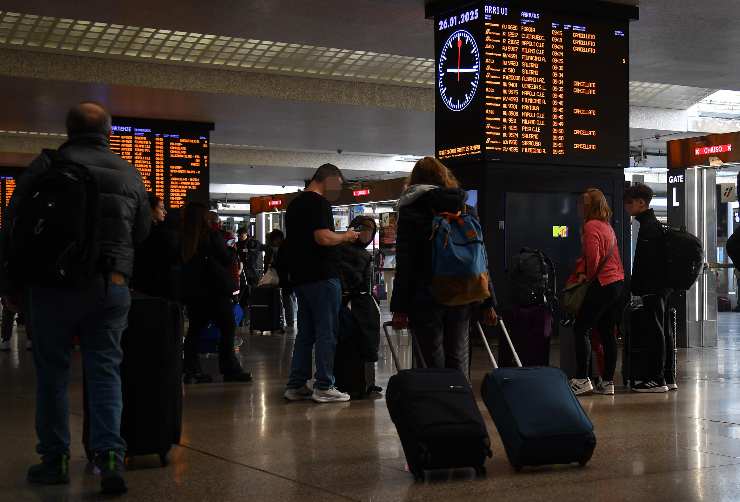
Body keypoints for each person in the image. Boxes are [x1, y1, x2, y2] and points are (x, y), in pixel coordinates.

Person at [1, 102, 150, 494]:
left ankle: (55, 459)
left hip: (51, 286)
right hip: (110, 284)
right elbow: (142, 232)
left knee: (52, 374)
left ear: (68, 130)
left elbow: (14, 223)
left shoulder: (45, 167)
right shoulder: (129, 172)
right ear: (108, 131)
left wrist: (13, 285)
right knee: (105, 369)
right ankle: (110, 456)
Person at [390, 157, 497, 377]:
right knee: (458, 353)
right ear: (445, 177)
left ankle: (436, 403)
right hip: (462, 291)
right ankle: (460, 401)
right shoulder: (465, 208)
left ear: (415, 179)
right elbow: (480, 256)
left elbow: (406, 262)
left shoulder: (412, 210)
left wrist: (400, 306)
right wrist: (488, 302)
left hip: (426, 294)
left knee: (430, 357)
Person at [283, 163, 360, 403]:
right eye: (338, 183)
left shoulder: (294, 204)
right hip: (322, 277)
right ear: (328, 179)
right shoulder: (319, 204)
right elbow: (323, 237)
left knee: (305, 332)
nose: (338, 189)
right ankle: (324, 385)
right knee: (327, 331)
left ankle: (296, 384)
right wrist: (346, 236)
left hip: (301, 278)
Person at [181, 202, 252, 384]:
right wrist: (230, 249)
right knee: (228, 328)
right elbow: (226, 258)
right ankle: (229, 369)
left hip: (195, 293)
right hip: (216, 291)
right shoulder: (211, 236)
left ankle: (191, 369)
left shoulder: (186, 238)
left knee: (195, 330)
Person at [569, 188, 625, 396]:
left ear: (590, 206)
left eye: (582, 203)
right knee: (607, 331)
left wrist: (587, 277)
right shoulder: (606, 226)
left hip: (602, 283)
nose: (579, 206)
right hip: (617, 282)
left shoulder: (591, 226)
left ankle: (582, 379)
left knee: (580, 328)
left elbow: (594, 257)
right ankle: (608, 381)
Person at [624, 183, 673, 393]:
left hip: (653, 287)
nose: (626, 207)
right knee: (664, 330)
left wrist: (636, 287)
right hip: (661, 287)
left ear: (641, 203)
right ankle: (668, 377)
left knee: (655, 332)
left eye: (629, 203)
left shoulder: (648, 227)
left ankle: (656, 379)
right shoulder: (652, 224)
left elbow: (644, 262)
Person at [131, 194, 181, 300]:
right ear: (150, 210)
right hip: (158, 289)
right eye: (161, 208)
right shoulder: (161, 235)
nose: (165, 212)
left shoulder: (136, 231)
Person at [264, 229, 296, 330]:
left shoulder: (284, 248)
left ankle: (290, 322)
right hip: (288, 278)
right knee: (289, 299)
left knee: (287, 299)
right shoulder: (287, 246)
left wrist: (274, 264)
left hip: (286, 279)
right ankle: (290, 321)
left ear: (278, 238)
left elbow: (283, 263)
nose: (273, 243)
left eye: (273, 240)